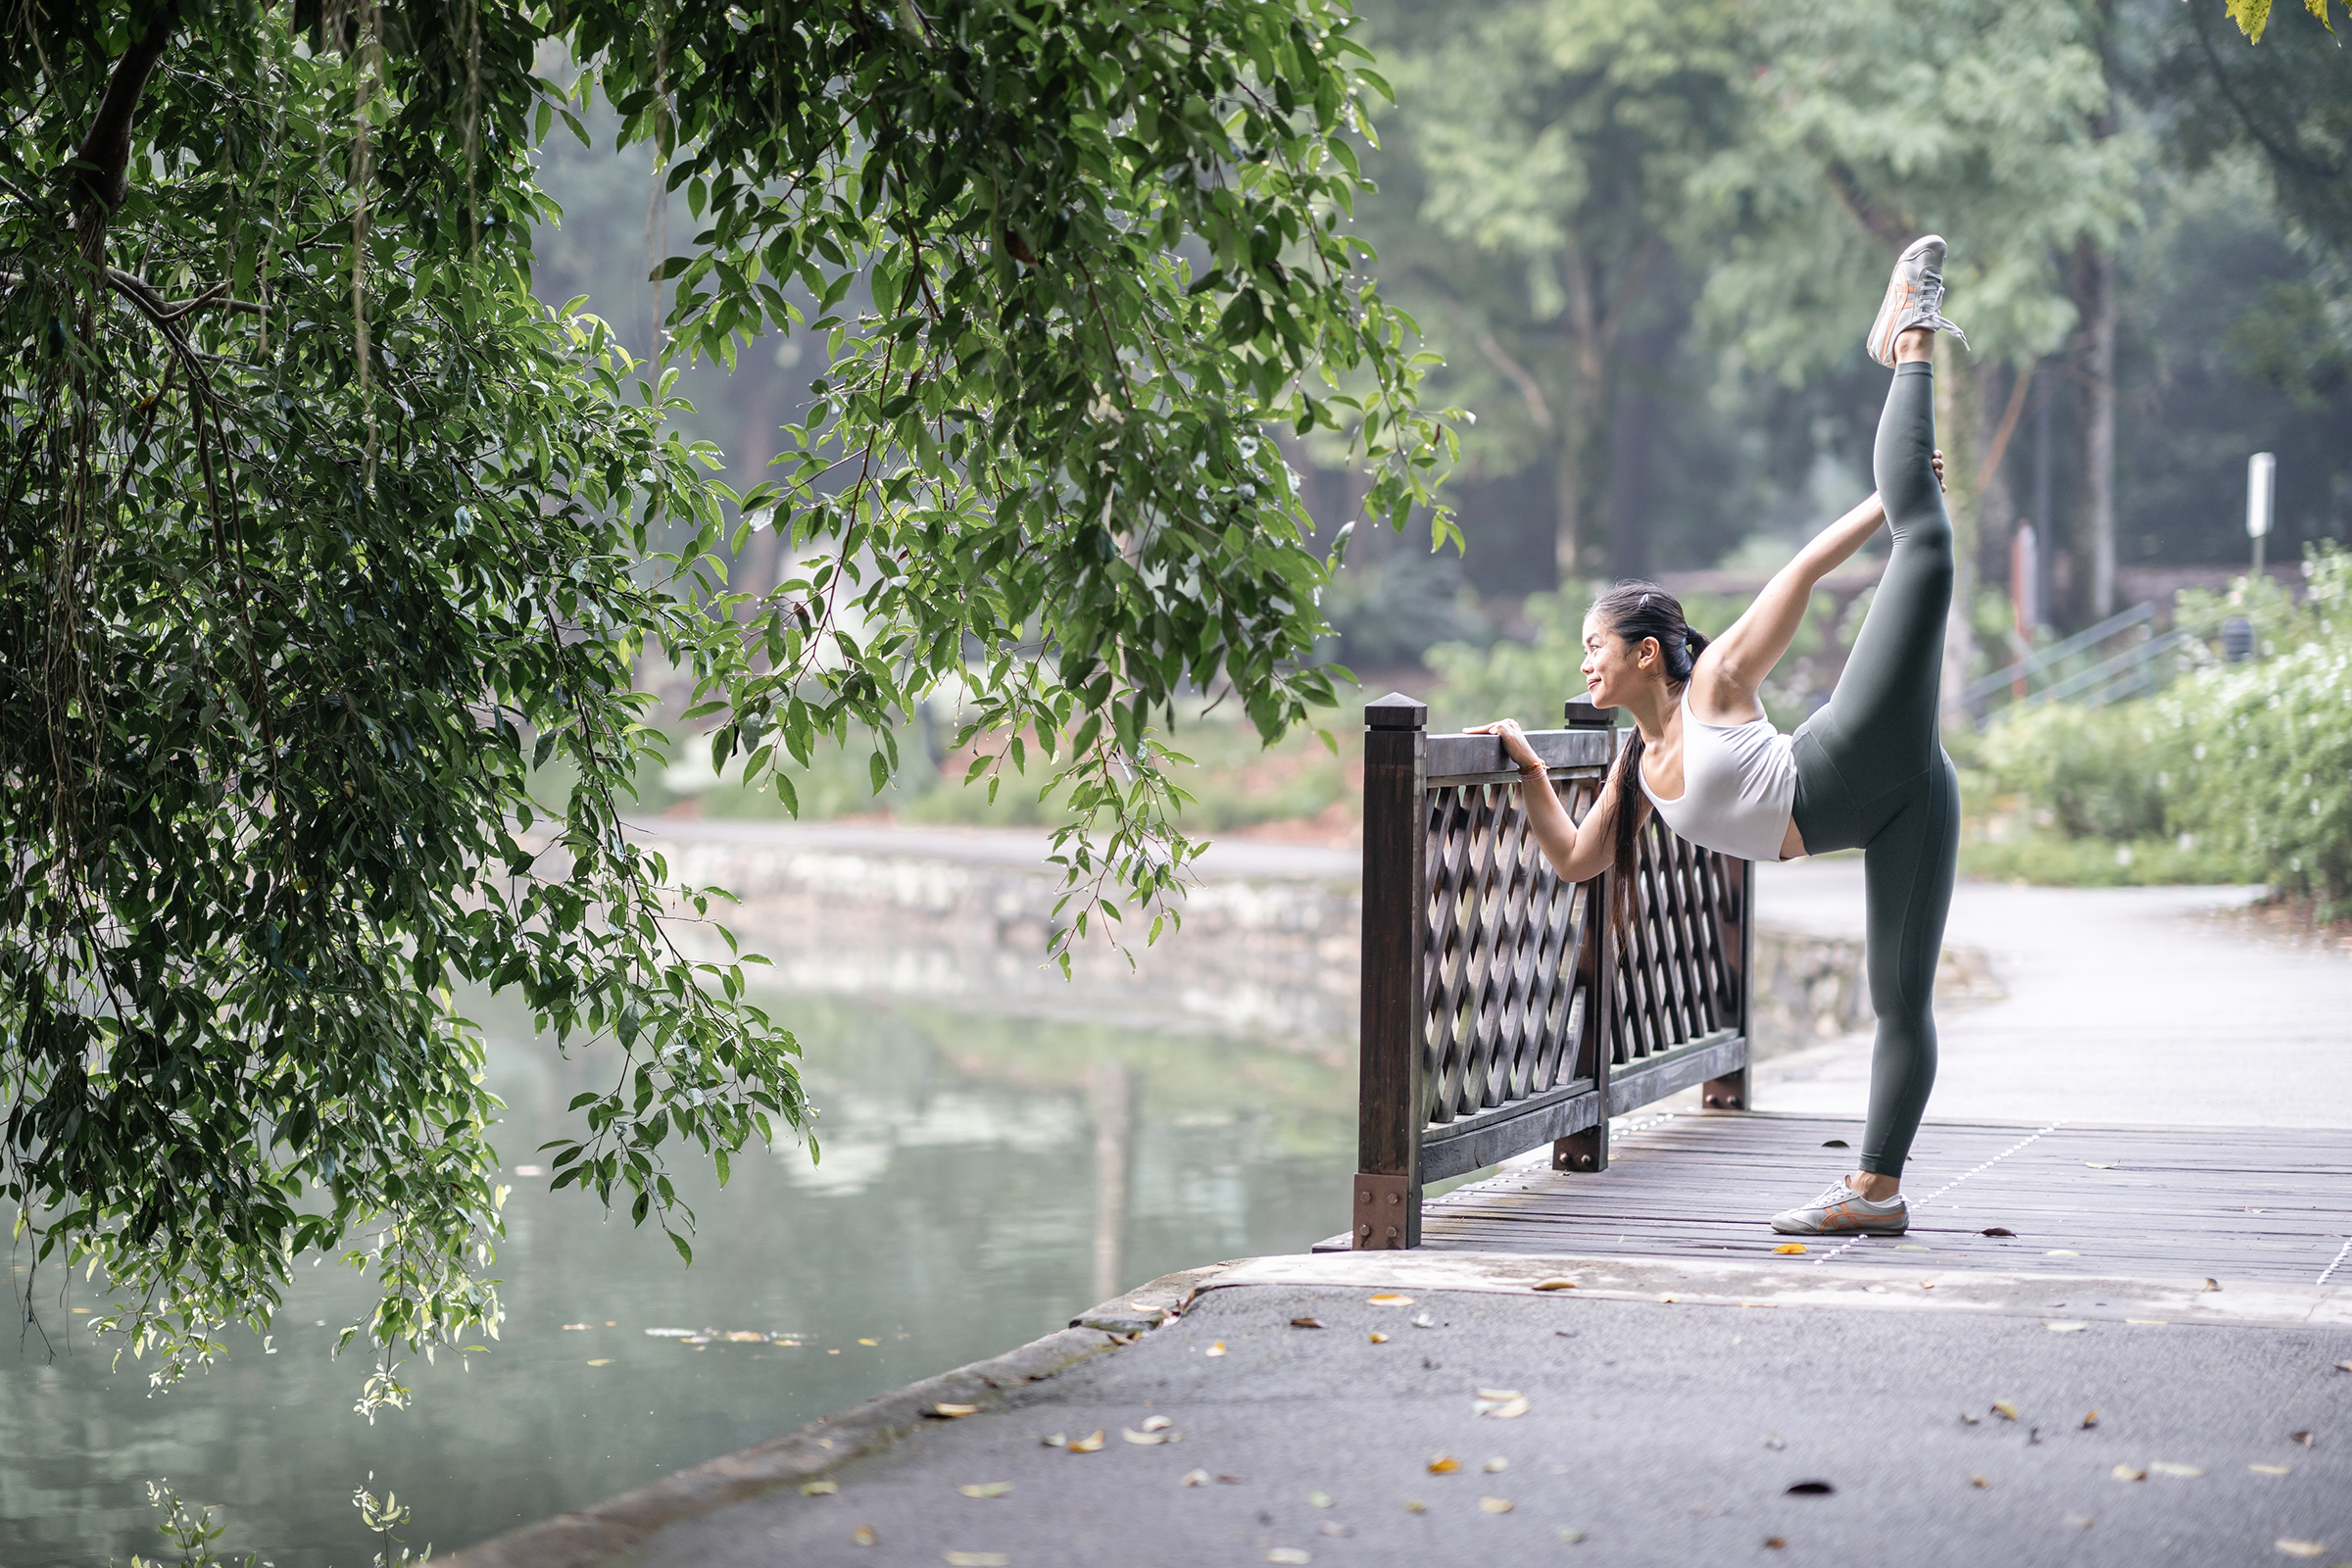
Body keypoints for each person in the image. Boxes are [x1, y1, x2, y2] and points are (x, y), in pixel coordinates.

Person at [1471, 235, 1968, 1237]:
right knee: (1899, 998)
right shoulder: (1636, 768)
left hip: (1856, 758)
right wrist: (1527, 771)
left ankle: (1910, 329)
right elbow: (1575, 860)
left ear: (1647, 653)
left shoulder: (1716, 684)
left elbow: (1800, 572)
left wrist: (1884, 498)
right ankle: (1876, 1194)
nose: (1585, 665)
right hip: (1903, 807)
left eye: (1595, 648)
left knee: (1925, 538)